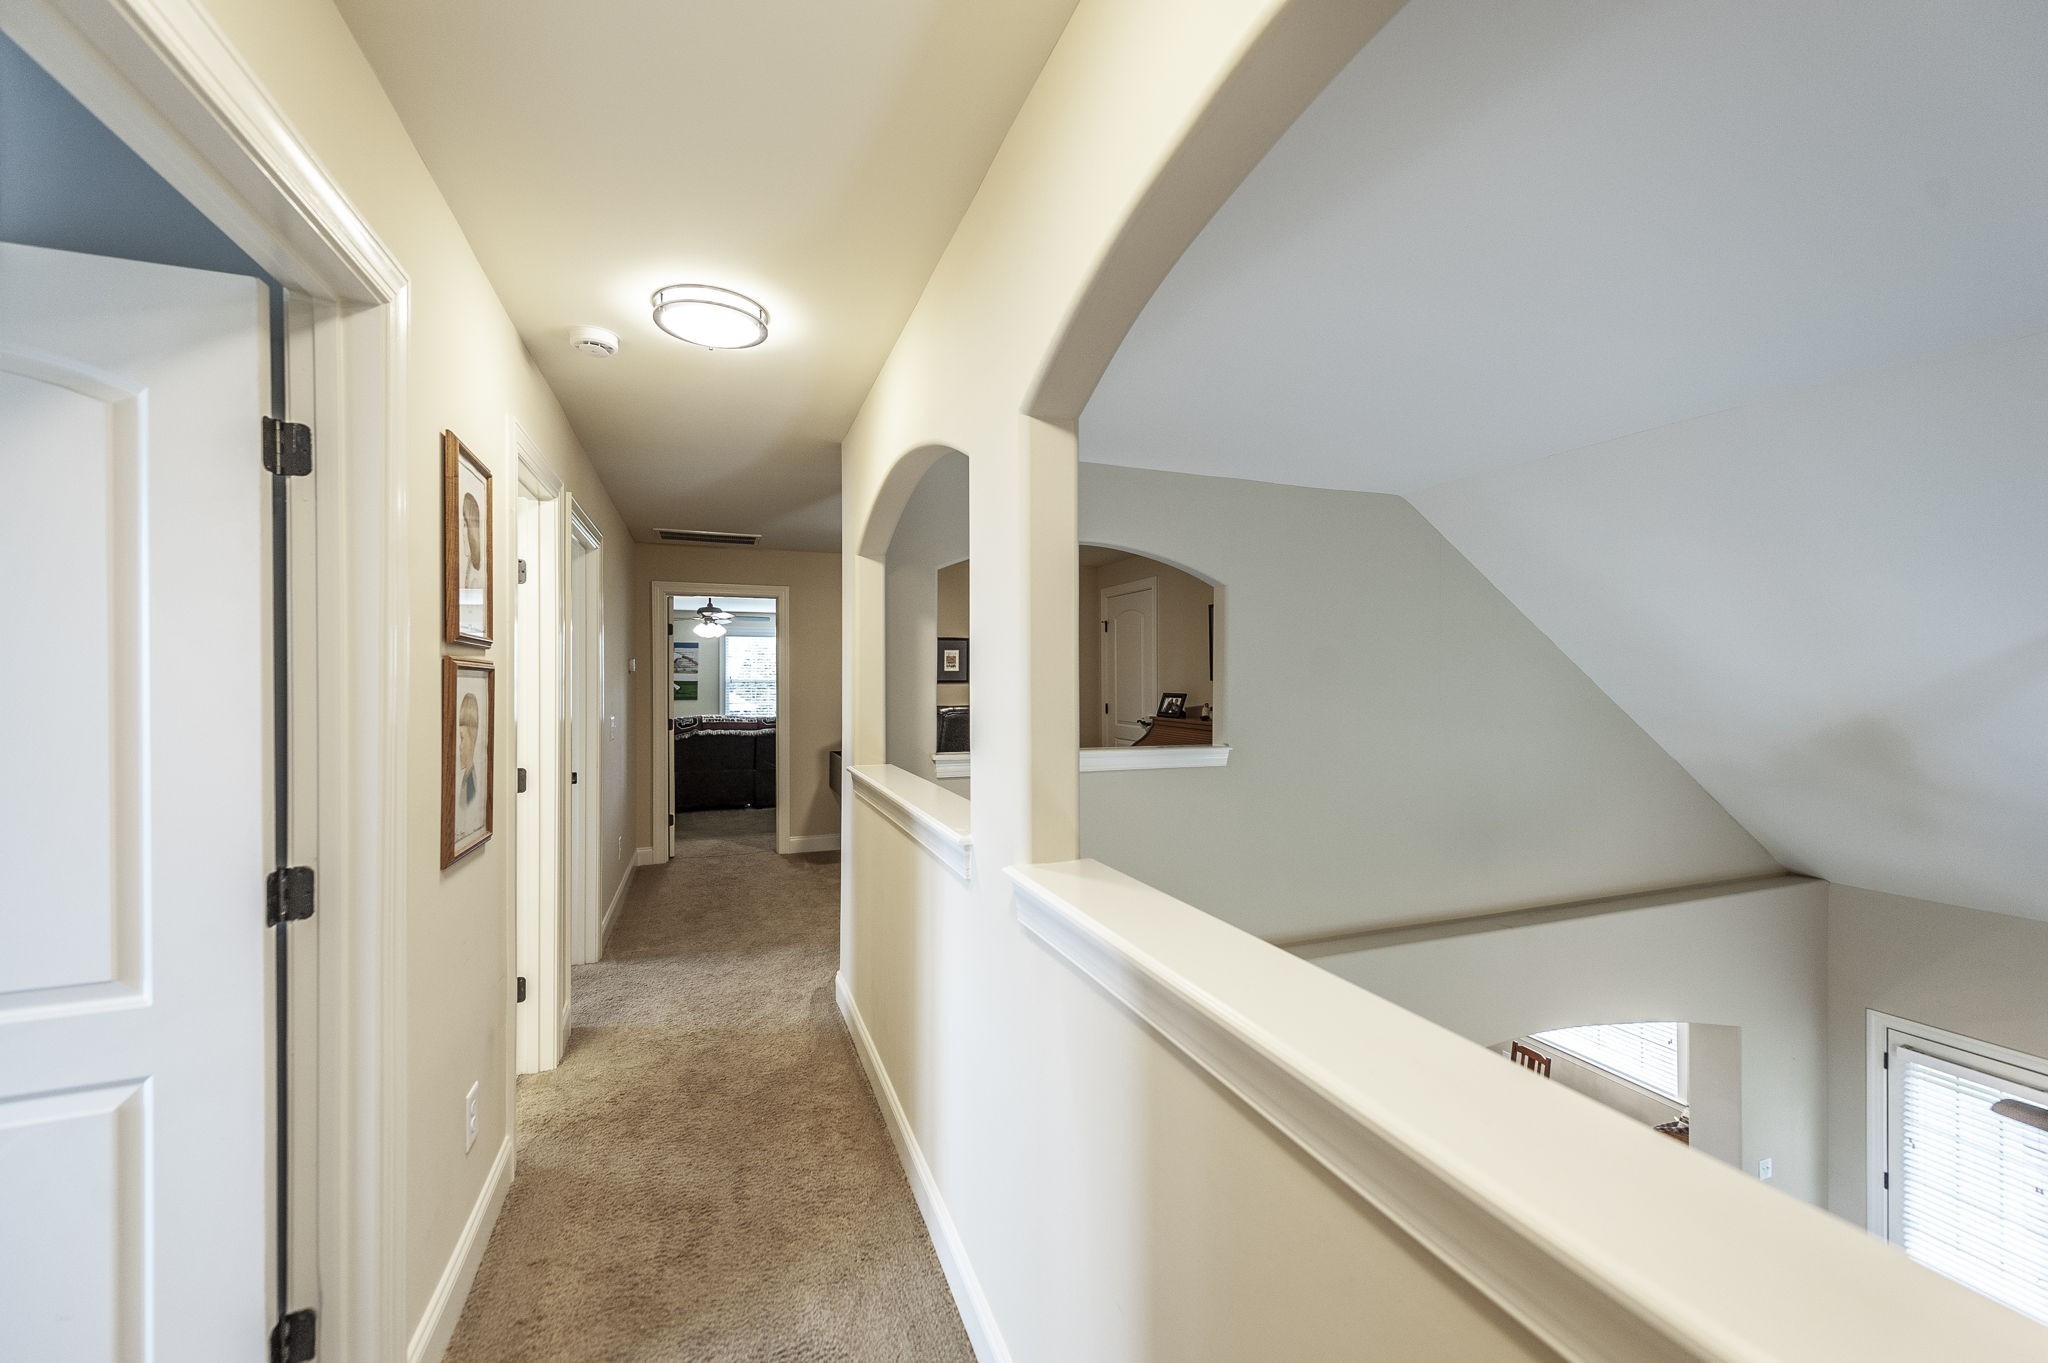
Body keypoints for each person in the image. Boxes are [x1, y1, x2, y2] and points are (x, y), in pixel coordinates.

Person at [455, 690, 483, 837]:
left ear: (472, 739)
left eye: (462, 738)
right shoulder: (466, 781)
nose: (459, 747)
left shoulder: (471, 786)